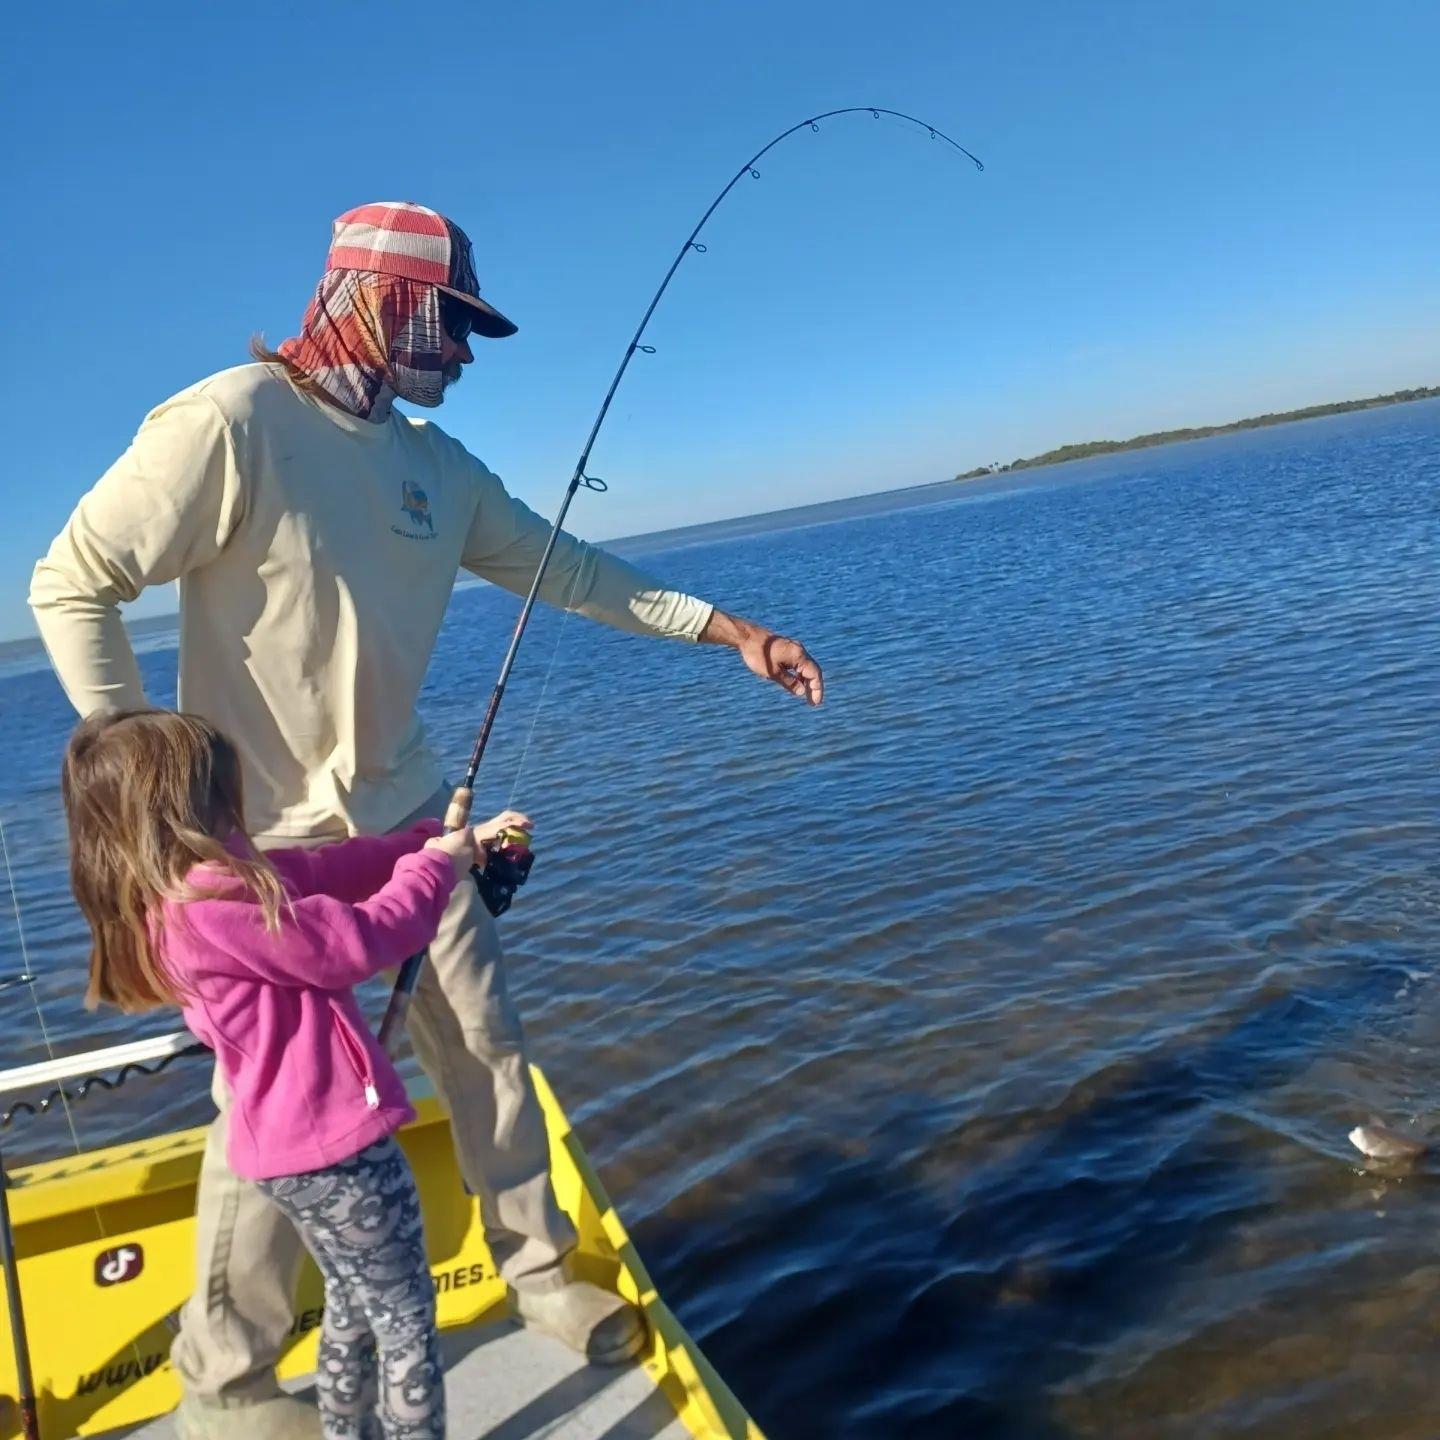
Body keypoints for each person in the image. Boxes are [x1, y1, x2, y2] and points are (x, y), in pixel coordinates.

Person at [29, 201, 824, 1440]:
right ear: (378, 301)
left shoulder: (437, 472)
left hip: (409, 823)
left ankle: (541, 1274)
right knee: (263, 1119)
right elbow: (71, 582)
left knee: (487, 1051)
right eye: (451, 323)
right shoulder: (228, 423)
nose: (465, 352)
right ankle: (226, 1386)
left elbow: (574, 572)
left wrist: (732, 632)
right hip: (246, 850)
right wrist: (153, 802)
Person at [62, 707, 534, 1439]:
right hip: (339, 1153)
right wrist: (437, 871)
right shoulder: (215, 907)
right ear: (189, 807)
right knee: (408, 1323)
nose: (234, 805)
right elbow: (357, 942)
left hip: (286, 1155)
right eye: (220, 793)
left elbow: (322, 871)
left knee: (352, 1301)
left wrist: (425, 843)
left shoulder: (189, 892)